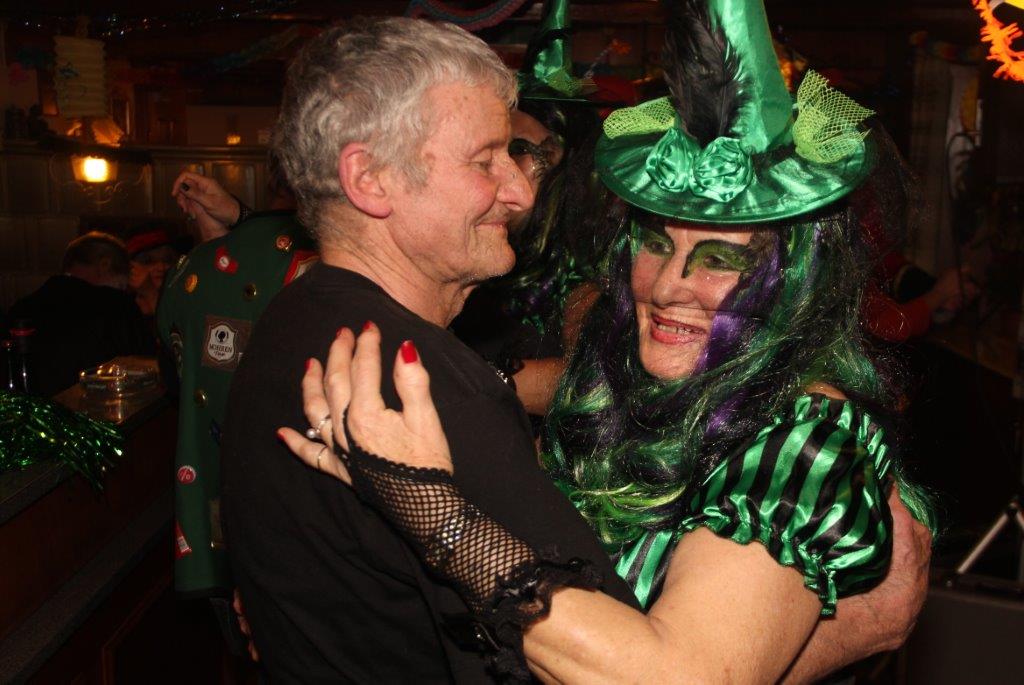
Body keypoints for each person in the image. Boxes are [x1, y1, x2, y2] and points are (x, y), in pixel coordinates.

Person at [280, 1, 934, 682]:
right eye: (656, 244)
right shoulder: (631, 388)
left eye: (720, 259)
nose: (669, 285)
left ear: (789, 282)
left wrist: (436, 513)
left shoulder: (800, 438)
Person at [219, 17, 643, 682]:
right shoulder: (418, 387)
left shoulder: (297, 316)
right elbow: (621, 662)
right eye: (485, 160)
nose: (521, 191)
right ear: (371, 179)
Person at [7, 231, 154, 396]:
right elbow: (148, 367)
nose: (124, 290)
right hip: (96, 407)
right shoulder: (115, 305)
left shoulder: (22, 308)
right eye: (122, 285)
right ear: (104, 265)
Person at [125, 222, 180, 319]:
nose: (161, 267)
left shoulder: (181, 297)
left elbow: (171, 326)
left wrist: (150, 293)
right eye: (149, 261)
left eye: (167, 260)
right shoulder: (122, 303)